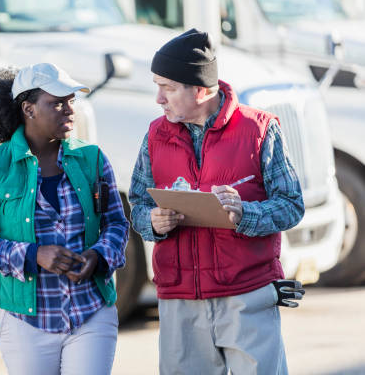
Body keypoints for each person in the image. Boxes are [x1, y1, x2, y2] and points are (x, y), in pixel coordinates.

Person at [128, 28, 305, 375]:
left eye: (168, 87)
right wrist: (152, 222)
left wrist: (245, 213)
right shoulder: (154, 135)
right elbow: (137, 205)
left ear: (201, 90)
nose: (159, 99)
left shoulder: (260, 130)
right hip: (179, 303)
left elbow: (291, 204)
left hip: (247, 297)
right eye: (157, 86)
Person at [0, 63, 129, 375]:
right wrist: (33, 255)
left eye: (70, 101)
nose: (69, 110)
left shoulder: (92, 158)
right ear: (29, 109)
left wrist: (100, 255)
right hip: (26, 321)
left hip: (90, 311)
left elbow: (116, 224)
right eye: (56, 103)